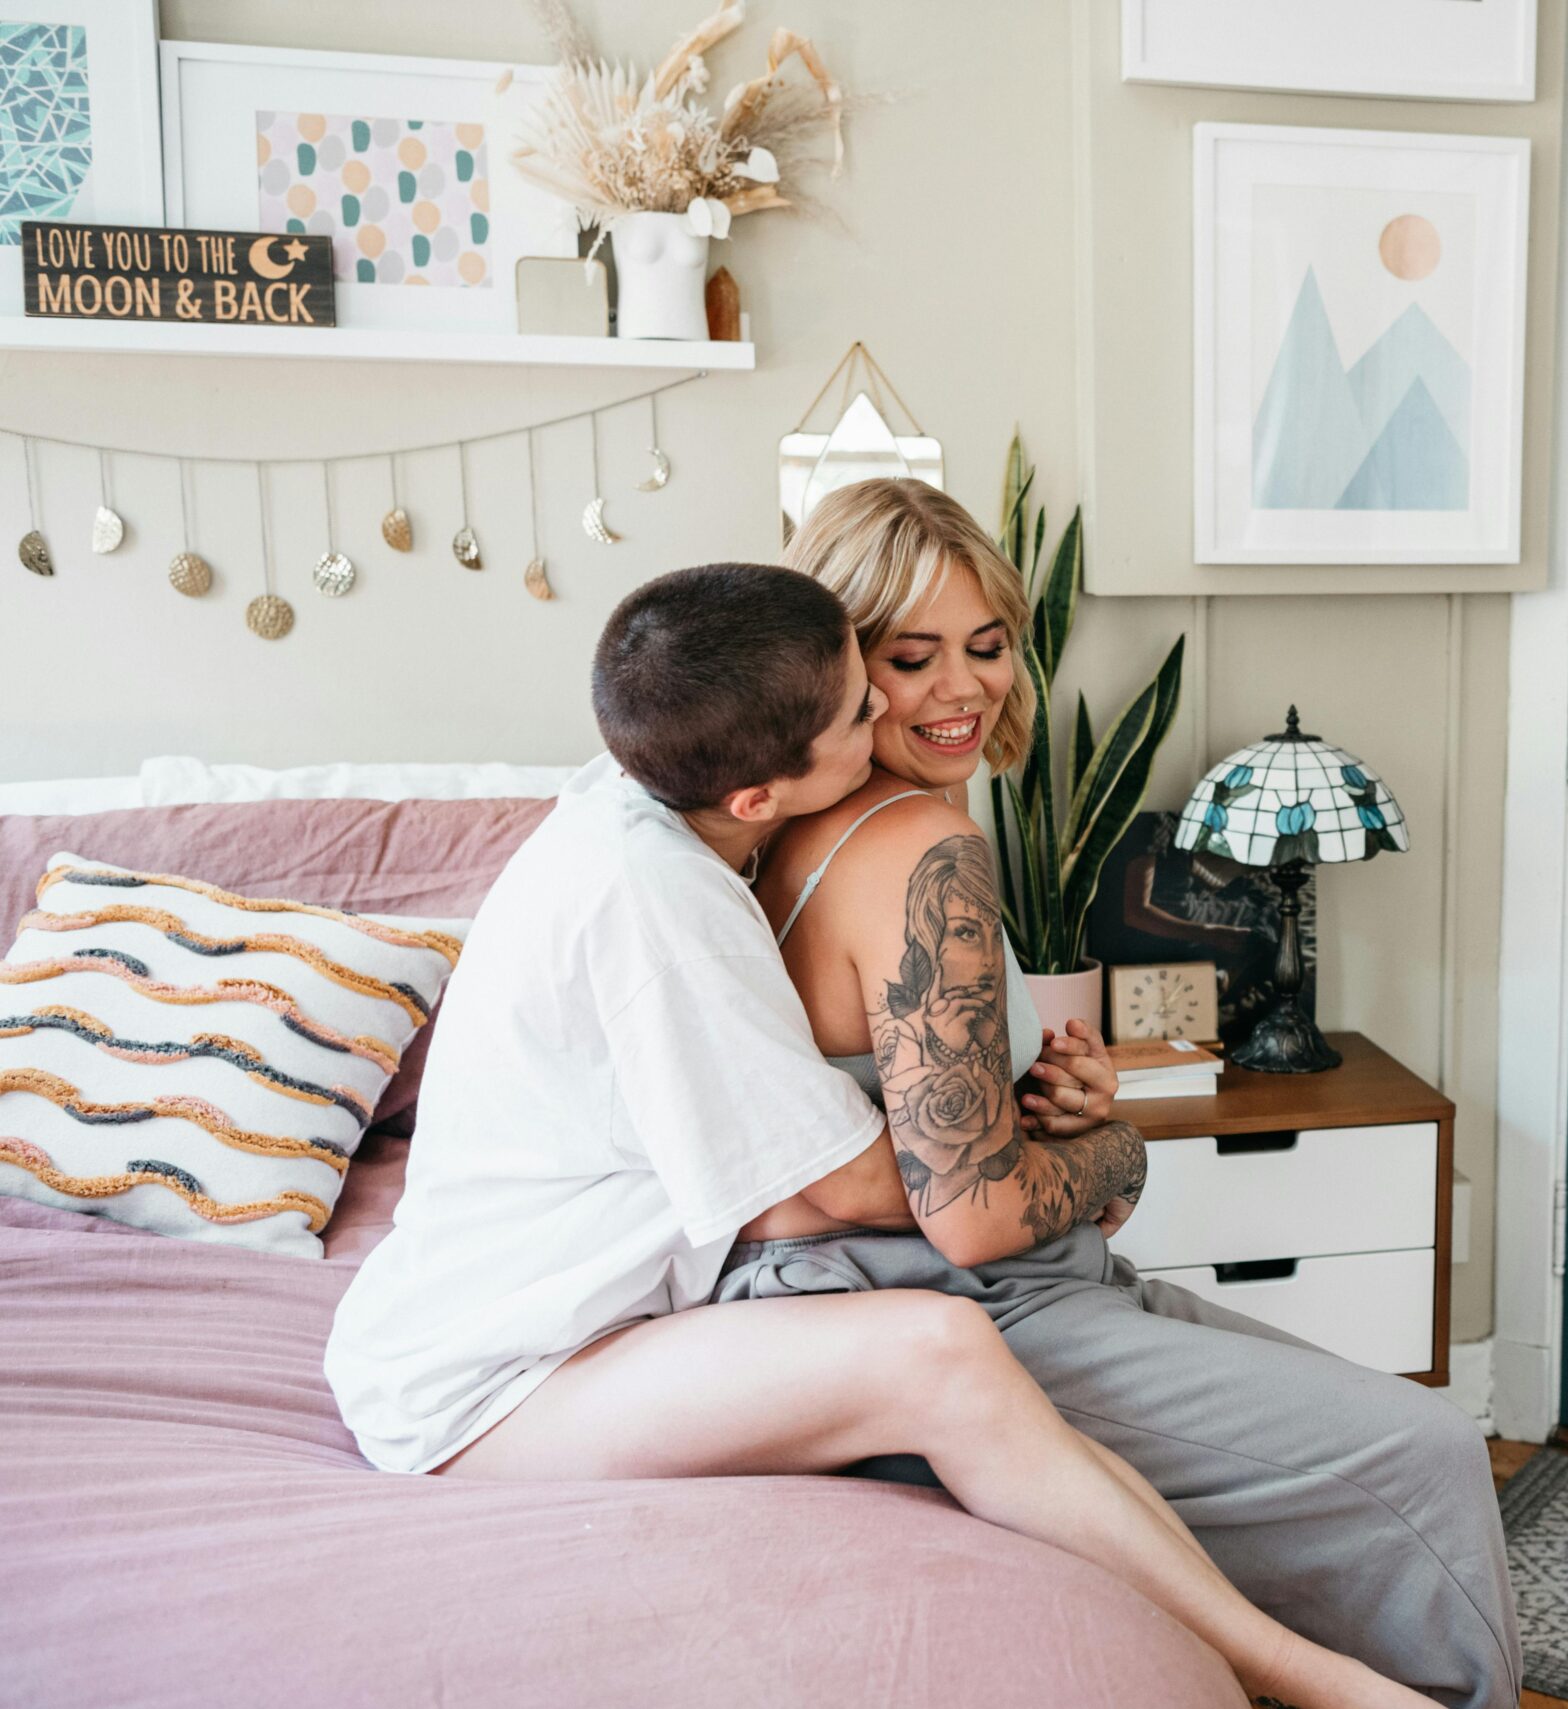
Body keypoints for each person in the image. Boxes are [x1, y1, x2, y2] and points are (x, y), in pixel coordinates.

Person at [324, 562, 1433, 1709]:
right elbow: (852, 1189)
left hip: (543, 1320)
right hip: (496, 1385)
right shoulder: (660, 908)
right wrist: (1102, 1158)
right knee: (935, 1352)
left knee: (949, 1349)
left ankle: (1286, 1663)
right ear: (759, 793)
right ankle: (1312, 1677)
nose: (892, 711)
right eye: (866, 703)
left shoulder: (647, 787)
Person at [735, 481, 1521, 1709]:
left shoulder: (796, 826)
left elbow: (915, 1104)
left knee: (1360, 1424)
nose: (962, 688)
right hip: (946, 1296)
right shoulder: (914, 847)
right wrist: (1116, 1152)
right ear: (836, 667)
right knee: (1419, 1446)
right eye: (912, 654)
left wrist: (1055, 1094)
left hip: (914, 1277)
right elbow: (979, 1213)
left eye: (990, 645)